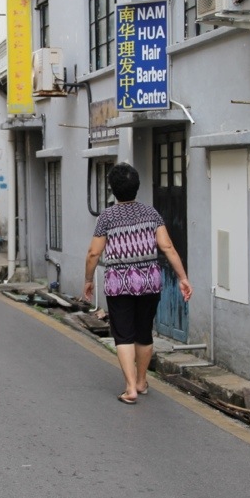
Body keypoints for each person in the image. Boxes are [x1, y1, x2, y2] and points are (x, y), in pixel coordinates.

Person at [83, 162, 193, 405]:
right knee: (143, 332)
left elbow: (93, 253)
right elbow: (167, 247)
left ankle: (130, 388)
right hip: (149, 282)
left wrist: (88, 280)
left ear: (112, 189)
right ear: (137, 186)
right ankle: (142, 382)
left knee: (123, 335)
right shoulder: (151, 213)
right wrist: (183, 278)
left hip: (118, 284)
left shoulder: (107, 217)